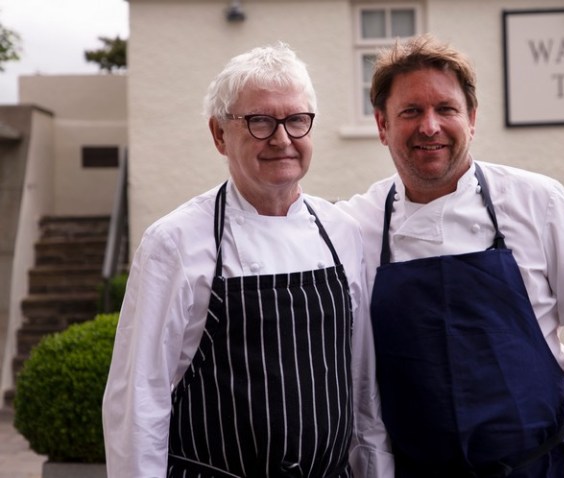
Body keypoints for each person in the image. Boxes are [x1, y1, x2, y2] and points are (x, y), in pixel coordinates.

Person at [337, 34, 564, 478]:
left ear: (472, 118)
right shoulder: (353, 226)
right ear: (382, 125)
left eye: (446, 109)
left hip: (541, 468)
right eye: (411, 111)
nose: (430, 126)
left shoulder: (539, 201)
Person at [103, 42, 391, 478]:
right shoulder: (174, 243)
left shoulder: (342, 232)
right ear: (219, 134)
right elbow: (140, 400)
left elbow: (363, 386)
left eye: (297, 120)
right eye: (259, 121)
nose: (282, 139)